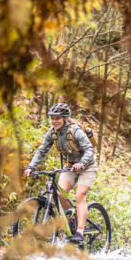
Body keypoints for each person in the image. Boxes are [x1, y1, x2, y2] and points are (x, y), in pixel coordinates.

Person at [23, 103, 97, 244]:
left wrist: (81, 163)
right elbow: (42, 150)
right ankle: (73, 218)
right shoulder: (52, 132)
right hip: (69, 167)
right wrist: (31, 167)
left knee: (79, 195)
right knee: (59, 193)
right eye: (52, 118)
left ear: (65, 118)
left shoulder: (75, 131)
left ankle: (80, 231)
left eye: (57, 118)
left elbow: (89, 149)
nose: (54, 121)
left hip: (87, 167)